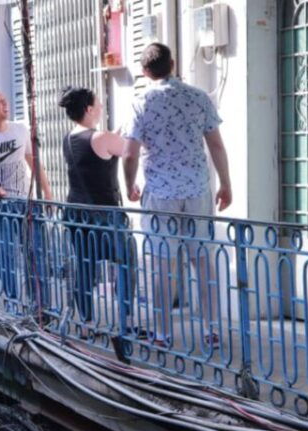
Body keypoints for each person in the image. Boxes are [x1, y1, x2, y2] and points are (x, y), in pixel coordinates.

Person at [122, 43, 231, 348]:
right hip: (197, 190)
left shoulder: (141, 101)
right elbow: (217, 145)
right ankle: (212, 330)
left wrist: (130, 183)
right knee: (203, 261)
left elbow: (129, 154)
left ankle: (162, 333)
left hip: (160, 194)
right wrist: (225, 183)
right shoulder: (199, 97)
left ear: (145, 71)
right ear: (173, 62)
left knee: (162, 264)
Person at [0, 87, 53, 314]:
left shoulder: (20, 130)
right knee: (6, 255)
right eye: (0, 102)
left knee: (36, 253)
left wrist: (47, 194)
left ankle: (41, 306)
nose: (6, 105)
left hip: (26, 202)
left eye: (5, 100)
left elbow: (33, 162)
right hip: (0, 205)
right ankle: (13, 302)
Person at [58, 86, 135, 332]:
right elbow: (130, 150)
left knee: (84, 266)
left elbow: (99, 151)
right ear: (89, 109)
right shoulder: (101, 137)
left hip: (75, 212)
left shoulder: (70, 137)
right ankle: (126, 319)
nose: (101, 107)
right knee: (126, 261)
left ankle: (86, 321)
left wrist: (114, 134)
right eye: (98, 104)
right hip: (104, 215)